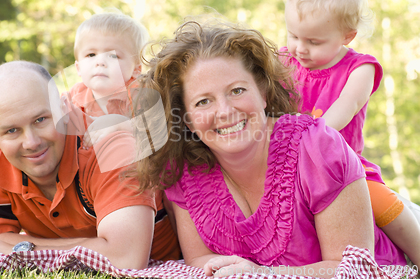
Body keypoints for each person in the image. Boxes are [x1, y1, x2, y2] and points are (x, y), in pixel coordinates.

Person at [135, 18, 407, 278]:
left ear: (262, 93)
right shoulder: (185, 170)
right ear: (187, 118)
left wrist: (264, 275)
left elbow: (352, 269)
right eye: (203, 102)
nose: (226, 111)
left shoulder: (317, 148)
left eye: (237, 90)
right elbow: (199, 261)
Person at [0, 61, 180, 270]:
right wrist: (101, 247)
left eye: (40, 120)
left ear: (64, 108)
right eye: (11, 131)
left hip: (164, 261)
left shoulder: (110, 142)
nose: (31, 143)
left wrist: (24, 248)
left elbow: (126, 257)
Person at [282, 0, 420, 267]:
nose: (299, 48)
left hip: (345, 166)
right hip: (289, 163)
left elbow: (341, 113)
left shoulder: (360, 69)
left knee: (383, 204)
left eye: (313, 41)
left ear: (348, 36)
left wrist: (305, 137)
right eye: (292, 35)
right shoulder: (283, 62)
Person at [69, 12, 147, 148]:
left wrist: (121, 124)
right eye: (91, 54)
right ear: (78, 67)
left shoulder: (140, 94)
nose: (100, 62)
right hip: (86, 167)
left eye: (113, 56)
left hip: (129, 165)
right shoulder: (74, 96)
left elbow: (159, 126)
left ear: (136, 69)